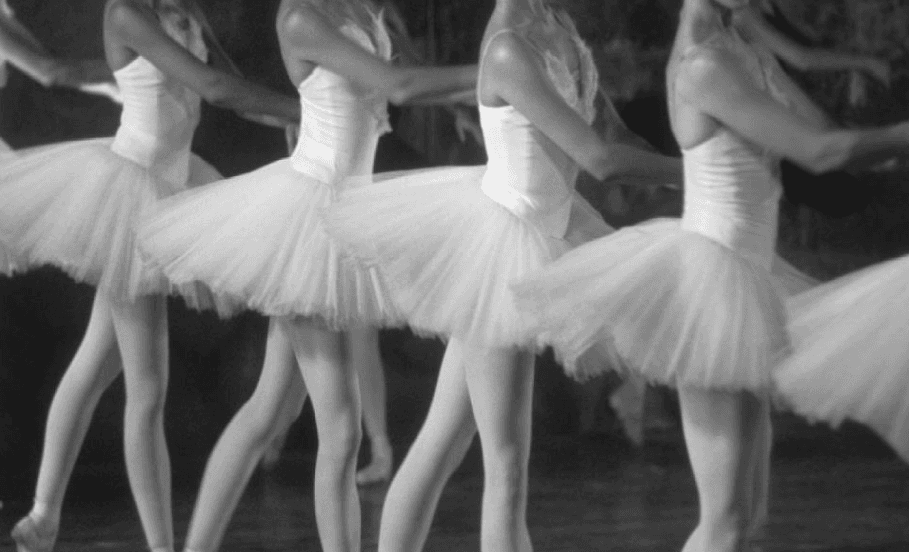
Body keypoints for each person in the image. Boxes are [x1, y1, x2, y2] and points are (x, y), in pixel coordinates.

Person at [510, 0, 909, 550]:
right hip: (710, 290)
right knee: (723, 520)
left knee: (748, 518)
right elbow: (819, 152)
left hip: (755, 278)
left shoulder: (741, 48)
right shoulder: (703, 65)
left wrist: (863, 139)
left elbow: (822, 135)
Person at [323, 1, 681, 550]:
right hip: (503, 250)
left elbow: (614, 133)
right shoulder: (509, 45)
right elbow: (599, 158)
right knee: (506, 467)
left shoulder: (559, 24)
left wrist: (691, 172)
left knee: (445, 440)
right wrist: (697, 176)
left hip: (547, 232)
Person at [137, 1, 478, 550]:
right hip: (310, 223)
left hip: (352, 210)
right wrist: (499, 76)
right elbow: (401, 83)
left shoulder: (368, 10)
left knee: (269, 409)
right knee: (340, 431)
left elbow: (403, 72)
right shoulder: (301, 17)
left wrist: (467, 105)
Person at [3, 2, 300, 552]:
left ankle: (43, 518)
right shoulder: (125, 12)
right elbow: (215, 89)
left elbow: (226, 86)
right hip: (132, 196)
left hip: (175, 182)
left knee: (96, 361)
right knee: (147, 388)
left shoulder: (184, 12)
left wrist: (301, 115)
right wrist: (306, 108)